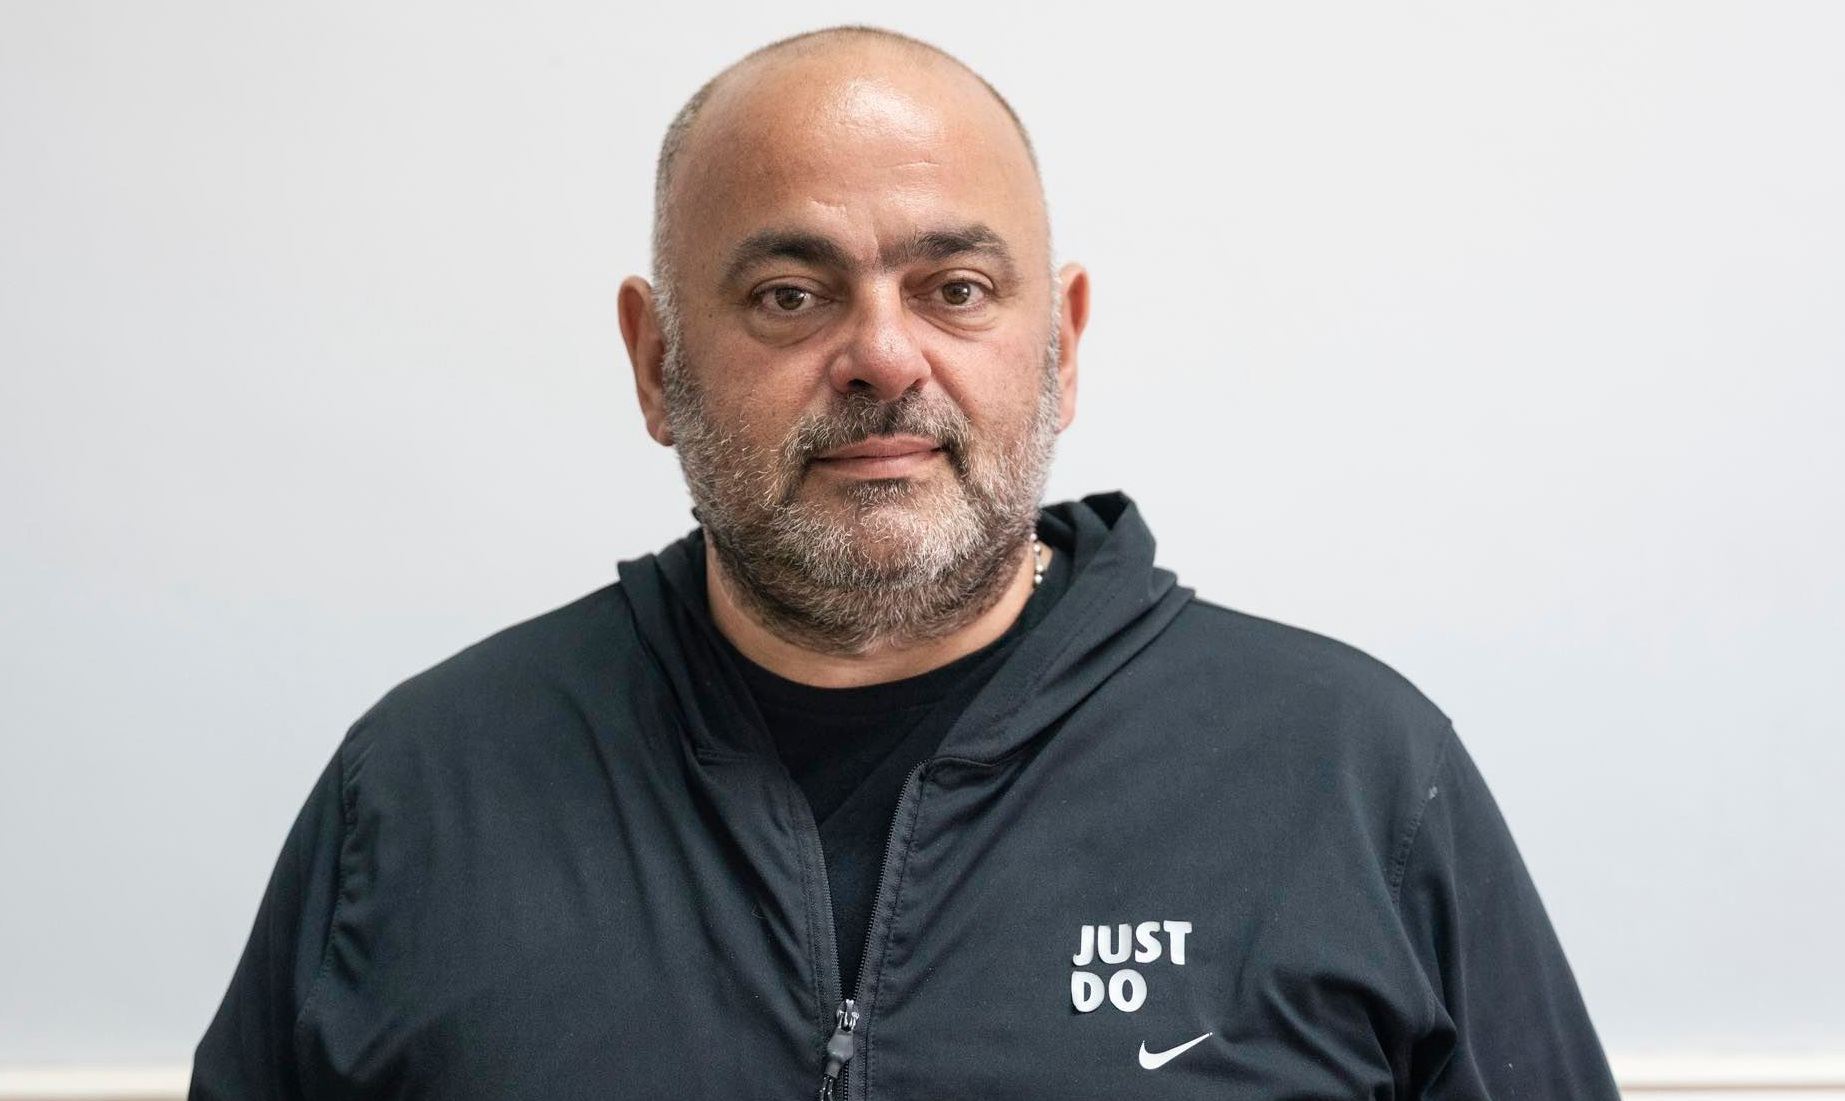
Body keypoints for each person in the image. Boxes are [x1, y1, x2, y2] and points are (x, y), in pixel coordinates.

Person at [191, 26, 1619, 1100]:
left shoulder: (1352, 773)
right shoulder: (421, 788)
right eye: (789, 294)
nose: (882, 355)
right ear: (654, 361)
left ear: (1059, 344)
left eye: (956, 289)